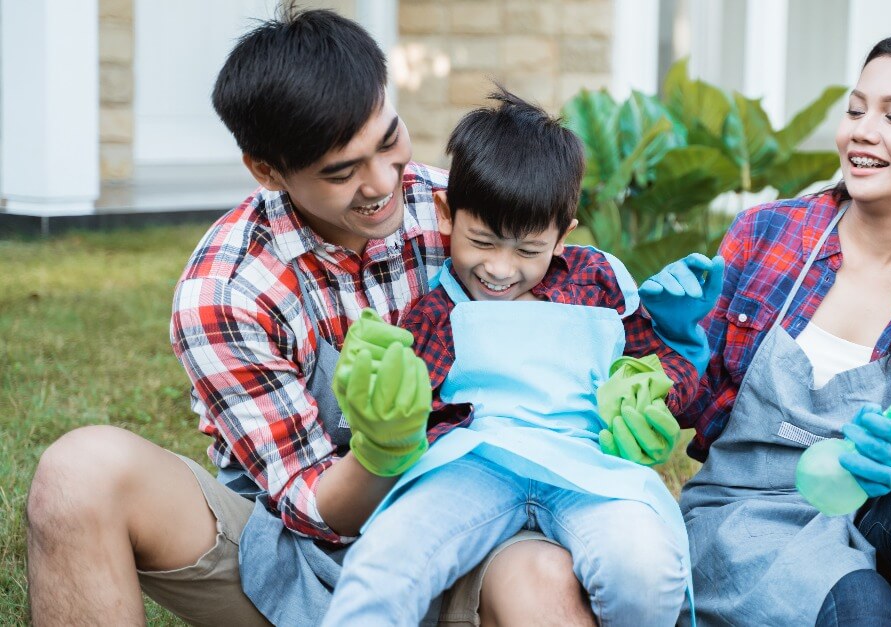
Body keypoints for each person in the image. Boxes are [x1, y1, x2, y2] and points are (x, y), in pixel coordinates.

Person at [23, 7, 595, 626]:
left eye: (388, 140)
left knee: (544, 577)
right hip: (289, 558)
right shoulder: (229, 290)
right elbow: (312, 504)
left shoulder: (462, 212)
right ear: (268, 171)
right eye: (341, 171)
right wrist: (383, 447)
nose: (382, 185)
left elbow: (564, 294)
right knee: (79, 474)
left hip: (472, 537)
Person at [648, 27, 891, 626]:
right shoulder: (767, 234)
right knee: (863, 602)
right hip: (744, 516)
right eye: (856, 109)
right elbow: (701, 406)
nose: (862, 131)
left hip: (867, 515)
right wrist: (678, 341)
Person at [322, 88, 719, 627]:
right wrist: (381, 403)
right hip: (475, 467)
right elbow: (413, 413)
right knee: (388, 555)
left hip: (588, 468)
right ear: (446, 215)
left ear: (563, 236)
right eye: (482, 242)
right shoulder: (436, 311)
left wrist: (650, 385)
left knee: (646, 569)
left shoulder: (597, 281)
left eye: (529, 250)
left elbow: (662, 365)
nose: (502, 269)